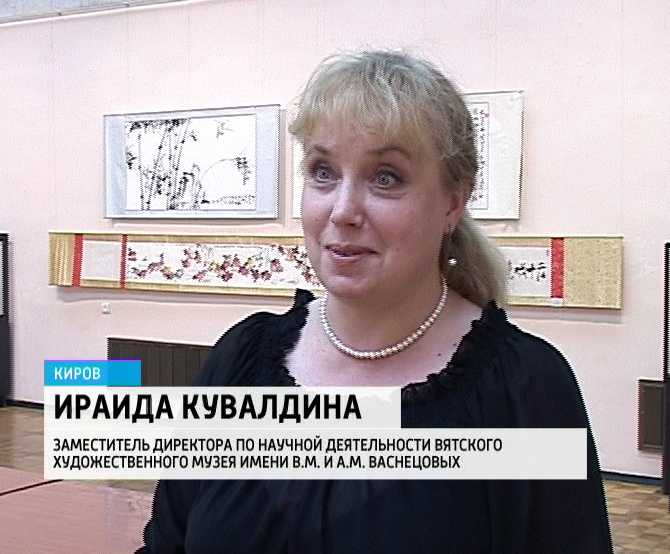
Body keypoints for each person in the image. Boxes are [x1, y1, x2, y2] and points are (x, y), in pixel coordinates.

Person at [139, 50, 613, 553]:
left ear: (453, 201)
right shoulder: (240, 358)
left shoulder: (525, 387)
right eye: (323, 171)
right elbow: (168, 543)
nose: (342, 211)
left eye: (386, 177)